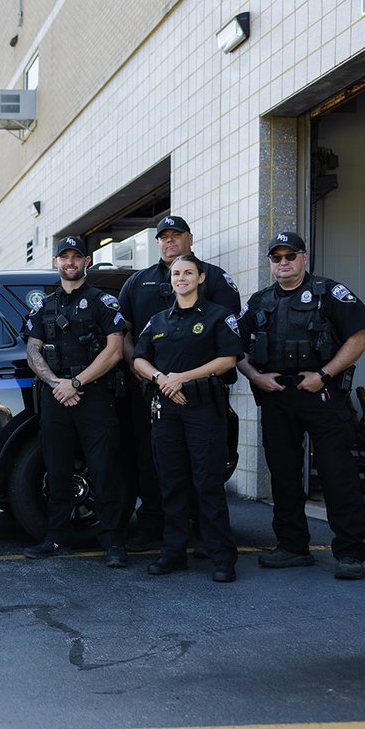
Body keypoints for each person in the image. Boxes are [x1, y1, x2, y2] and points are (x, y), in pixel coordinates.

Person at [237, 232, 365, 580]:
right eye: (276, 258)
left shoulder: (329, 293)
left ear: (303, 257)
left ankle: (349, 553)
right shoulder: (257, 302)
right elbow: (233, 347)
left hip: (321, 393)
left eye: (290, 256)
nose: (283, 263)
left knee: (337, 473)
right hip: (276, 394)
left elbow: (358, 339)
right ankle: (292, 547)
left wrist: (324, 374)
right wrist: (255, 377)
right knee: (283, 473)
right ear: (270, 263)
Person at [118, 215, 241, 551]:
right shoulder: (137, 282)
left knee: (203, 467)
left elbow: (229, 337)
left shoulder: (215, 278)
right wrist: (138, 368)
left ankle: (206, 534)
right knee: (153, 460)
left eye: (176, 236)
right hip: (152, 391)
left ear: (190, 238)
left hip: (202, 393)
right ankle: (155, 526)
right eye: (164, 237)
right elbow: (125, 332)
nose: (169, 242)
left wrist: (184, 378)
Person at [23, 236, 129, 567]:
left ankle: (112, 541)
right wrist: (57, 383)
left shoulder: (103, 302)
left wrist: (76, 382)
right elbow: (32, 350)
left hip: (93, 394)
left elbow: (114, 351)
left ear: (86, 261)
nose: (70, 262)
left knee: (103, 468)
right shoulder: (44, 306)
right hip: (57, 396)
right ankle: (57, 537)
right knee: (56, 468)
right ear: (56, 262)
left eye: (76, 256)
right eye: (64, 257)